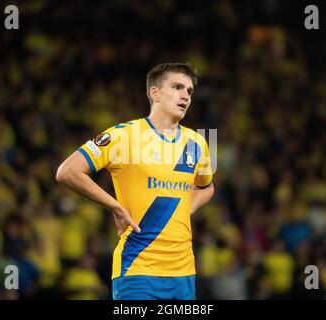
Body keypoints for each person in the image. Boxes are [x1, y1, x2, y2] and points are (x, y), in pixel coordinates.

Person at [56, 62, 215, 300]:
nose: (185, 96)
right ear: (155, 92)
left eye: (189, 91)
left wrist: (187, 206)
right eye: (177, 87)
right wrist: (115, 206)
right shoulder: (123, 135)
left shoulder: (199, 142)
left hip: (184, 272)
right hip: (137, 269)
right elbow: (67, 171)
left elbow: (207, 187)